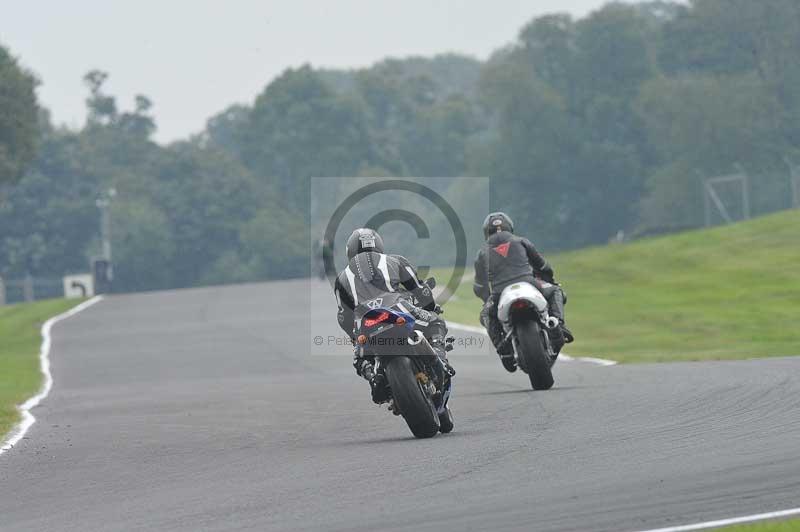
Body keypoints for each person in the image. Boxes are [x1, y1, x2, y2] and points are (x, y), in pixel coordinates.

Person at [334, 228, 455, 405]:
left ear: (350, 250)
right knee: (435, 321)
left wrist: (354, 338)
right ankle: (439, 356)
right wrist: (430, 307)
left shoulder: (342, 278)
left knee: (360, 358)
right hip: (397, 309)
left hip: (365, 322)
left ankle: (374, 376)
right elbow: (421, 290)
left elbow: (344, 316)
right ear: (379, 244)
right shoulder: (395, 261)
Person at [472, 212, 574, 372]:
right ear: (509, 227)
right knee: (556, 291)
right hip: (529, 283)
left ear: (486, 232)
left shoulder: (482, 253)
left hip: (500, 293)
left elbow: (479, 286)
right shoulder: (521, 241)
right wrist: (550, 280)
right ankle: (558, 325)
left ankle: (503, 350)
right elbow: (543, 266)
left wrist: (487, 299)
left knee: (486, 314)